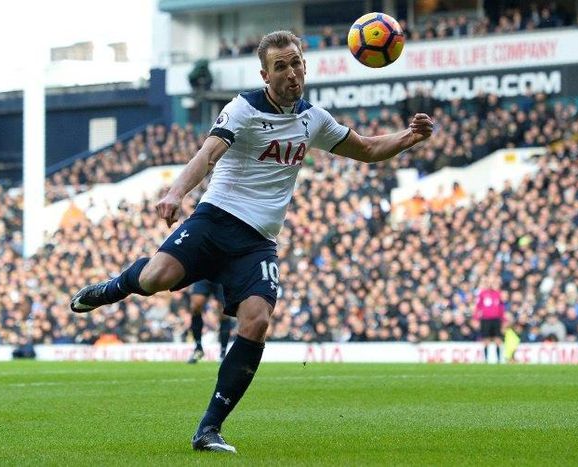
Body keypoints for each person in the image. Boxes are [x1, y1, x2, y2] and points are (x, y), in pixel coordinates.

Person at [69, 30, 433, 454]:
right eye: (281, 66)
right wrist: (176, 192)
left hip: (258, 241)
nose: (292, 72)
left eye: (296, 62)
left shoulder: (313, 119)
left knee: (257, 321)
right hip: (216, 219)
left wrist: (409, 138)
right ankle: (109, 290)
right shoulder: (243, 108)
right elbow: (207, 154)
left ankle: (208, 429)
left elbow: (368, 149)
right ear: (265, 74)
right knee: (154, 278)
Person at [186, 280, 232, 364]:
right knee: (195, 306)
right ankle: (198, 348)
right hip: (204, 274)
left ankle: (223, 353)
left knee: (224, 311)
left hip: (222, 274)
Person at [474, 276, 505, 363]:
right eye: (488, 282)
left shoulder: (497, 294)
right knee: (486, 340)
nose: (490, 284)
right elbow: (478, 307)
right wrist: (476, 319)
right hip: (485, 320)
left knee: (498, 339)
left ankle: (499, 359)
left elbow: (501, 308)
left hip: (496, 320)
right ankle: (486, 359)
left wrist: (503, 320)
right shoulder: (482, 294)